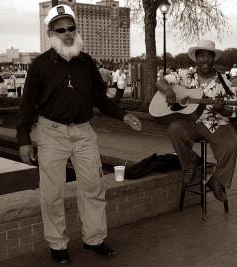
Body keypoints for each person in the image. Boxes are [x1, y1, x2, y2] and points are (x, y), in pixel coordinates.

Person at [15, 4, 142, 265]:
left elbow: (100, 98)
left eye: (71, 27)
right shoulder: (39, 66)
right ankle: (57, 243)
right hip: (51, 132)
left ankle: (94, 239)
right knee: (52, 193)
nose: (67, 33)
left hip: (84, 132)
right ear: (51, 32)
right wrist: (24, 140)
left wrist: (123, 115)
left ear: (76, 29)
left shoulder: (87, 63)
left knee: (94, 187)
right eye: (61, 29)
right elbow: (26, 105)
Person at [156, 39, 237, 206]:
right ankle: (190, 162)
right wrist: (168, 89)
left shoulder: (224, 82)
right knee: (174, 129)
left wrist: (220, 108)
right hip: (191, 122)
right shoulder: (184, 74)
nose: (205, 60)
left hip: (215, 122)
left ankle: (216, 180)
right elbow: (160, 81)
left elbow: (230, 110)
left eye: (209, 56)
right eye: (202, 56)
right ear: (196, 58)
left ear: (213, 58)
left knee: (232, 145)